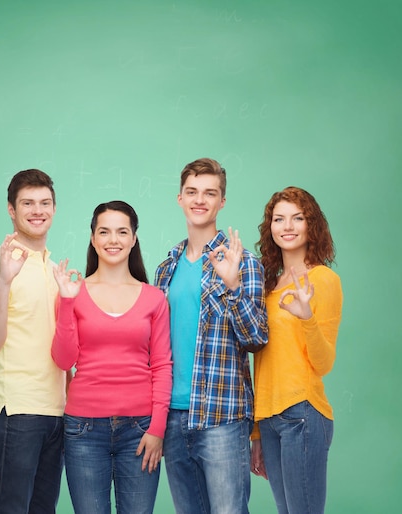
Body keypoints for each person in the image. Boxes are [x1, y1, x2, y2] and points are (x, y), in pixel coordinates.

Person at [154, 158, 268, 514]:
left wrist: (232, 284)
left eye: (209, 193)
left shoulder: (243, 262)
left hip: (222, 415)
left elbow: (256, 337)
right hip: (173, 416)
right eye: (192, 192)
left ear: (222, 202)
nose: (199, 200)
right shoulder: (166, 268)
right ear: (180, 199)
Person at [51, 200, 173, 514]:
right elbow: (65, 361)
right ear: (93, 238)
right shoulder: (73, 293)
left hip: (141, 429)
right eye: (104, 232)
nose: (113, 240)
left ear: (134, 239)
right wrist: (66, 302)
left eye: (122, 232)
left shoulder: (154, 298)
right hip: (83, 430)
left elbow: (161, 365)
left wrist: (157, 428)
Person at [0, 169, 67, 514]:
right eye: (27, 203)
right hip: (14, 411)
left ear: (54, 209)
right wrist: (3, 283)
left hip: (55, 412)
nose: (37, 210)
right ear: (11, 210)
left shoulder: (54, 270)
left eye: (44, 203)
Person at [250, 187, 343, 514]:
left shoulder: (323, 280)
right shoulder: (268, 285)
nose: (287, 226)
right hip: (270, 419)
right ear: (270, 227)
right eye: (279, 219)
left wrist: (306, 319)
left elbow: (324, 362)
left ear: (310, 225)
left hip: (302, 414)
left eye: (297, 218)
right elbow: (260, 361)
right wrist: (257, 431)